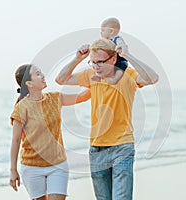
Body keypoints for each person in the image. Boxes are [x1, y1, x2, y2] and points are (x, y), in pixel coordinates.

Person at [55, 38, 159, 200]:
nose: (96, 66)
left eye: (100, 62)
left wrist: (128, 55)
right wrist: (78, 58)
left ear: (113, 59)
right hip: (97, 149)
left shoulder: (127, 75)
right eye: (93, 62)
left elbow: (152, 78)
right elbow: (61, 79)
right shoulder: (91, 75)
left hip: (122, 147)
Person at [9, 64, 90, 200]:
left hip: (58, 165)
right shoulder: (21, 107)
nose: (43, 76)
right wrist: (13, 170)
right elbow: (16, 140)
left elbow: (82, 96)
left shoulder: (55, 98)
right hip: (32, 167)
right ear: (29, 83)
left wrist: (98, 79)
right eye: (38, 74)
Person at [91, 17, 128, 85]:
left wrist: (120, 46)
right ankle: (101, 78)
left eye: (103, 30)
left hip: (120, 60)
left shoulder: (117, 39)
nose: (101, 33)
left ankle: (114, 80)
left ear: (111, 31)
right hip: (112, 61)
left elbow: (121, 44)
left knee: (119, 70)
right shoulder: (105, 42)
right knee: (104, 67)